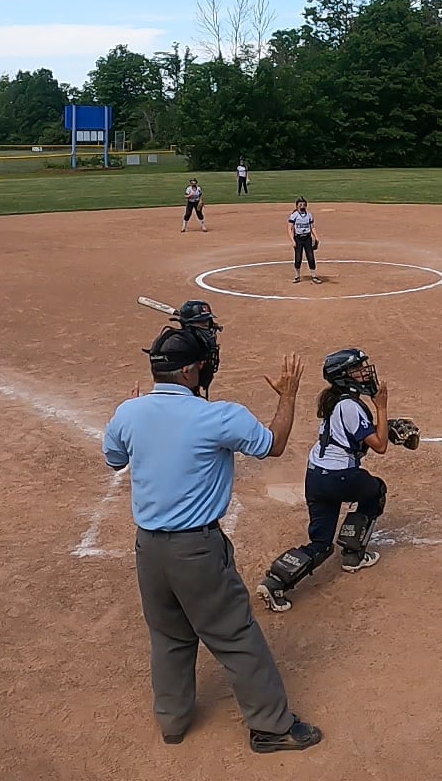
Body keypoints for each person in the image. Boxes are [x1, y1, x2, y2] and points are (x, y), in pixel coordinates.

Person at [102, 301, 323, 753]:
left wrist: (133, 411)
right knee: (235, 634)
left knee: (169, 636)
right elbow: (274, 445)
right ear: (188, 372)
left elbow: (114, 458)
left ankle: (173, 722)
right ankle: (271, 727)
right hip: (197, 551)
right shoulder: (219, 416)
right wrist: (287, 396)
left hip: (149, 551)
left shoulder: (129, 412)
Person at [258, 348, 393, 612]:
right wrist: (382, 407)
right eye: (357, 369)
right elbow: (379, 445)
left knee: (320, 544)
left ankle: (275, 582)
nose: (364, 372)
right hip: (341, 477)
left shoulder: (335, 400)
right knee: (375, 491)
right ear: (344, 376)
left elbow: (354, 435)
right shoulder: (350, 406)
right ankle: (353, 554)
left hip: (316, 477)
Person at [289, 197, 321, 283]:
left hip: (307, 238)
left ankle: (314, 276)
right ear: (297, 206)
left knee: (310, 257)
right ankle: (297, 276)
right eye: (300, 205)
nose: (302, 206)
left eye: (304, 205)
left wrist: (316, 237)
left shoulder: (309, 215)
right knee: (298, 257)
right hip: (298, 238)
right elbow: (290, 229)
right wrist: (293, 240)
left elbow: (312, 227)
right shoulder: (294, 215)